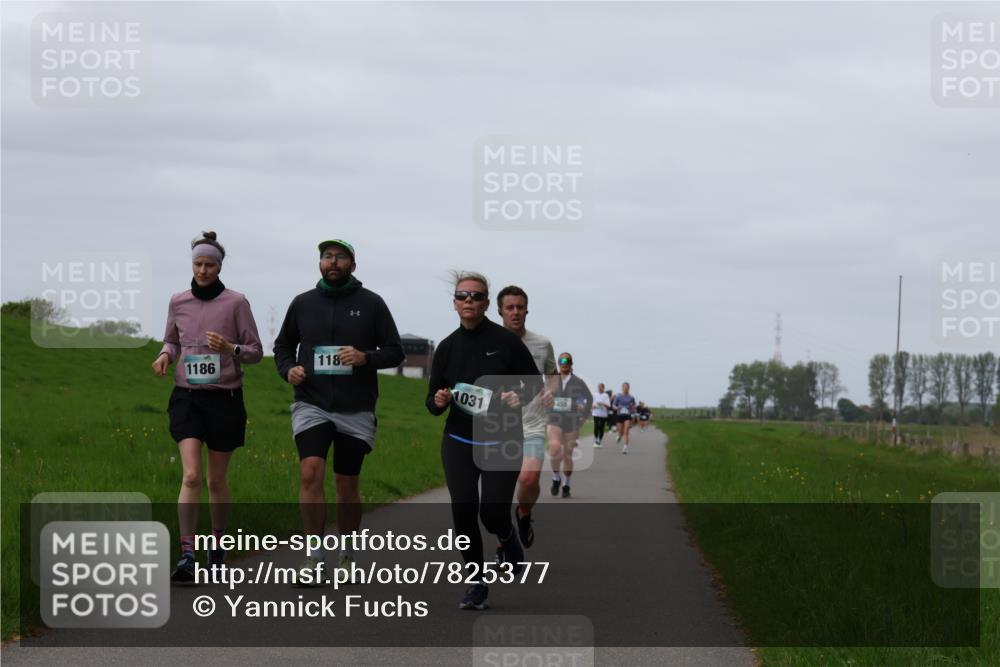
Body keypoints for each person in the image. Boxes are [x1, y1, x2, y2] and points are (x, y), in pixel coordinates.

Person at [273, 239, 404, 581]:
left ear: (352, 265)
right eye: (327, 256)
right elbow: (283, 345)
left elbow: (395, 351)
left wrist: (365, 358)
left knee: (347, 484)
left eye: (340, 257)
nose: (333, 262)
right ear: (319, 263)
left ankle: (347, 553)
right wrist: (288, 369)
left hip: (355, 406)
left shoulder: (372, 304)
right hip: (311, 402)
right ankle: (314, 556)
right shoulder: (302, 303)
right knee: (310, 471)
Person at [426, 271, 542, 610]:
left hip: (501, 440)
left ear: (486, 303)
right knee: (463, 511)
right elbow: (432, 400)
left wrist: (517, 396)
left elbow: (533, 384)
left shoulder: (506, 343)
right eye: (462, 296)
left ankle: (506, 536)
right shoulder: (447, 348)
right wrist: (438, 401)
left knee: (492, 513)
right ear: (454, 303)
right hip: (459, 439)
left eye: (475, 296)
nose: (468, 301)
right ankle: (476, 582)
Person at [153, 231, 263, 583]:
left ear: (219, 267)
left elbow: (256, 351)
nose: (202, 271)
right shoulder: (178, 301)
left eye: (209, 265)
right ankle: (187, 554)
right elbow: (172, 339)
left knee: (216, 480)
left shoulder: (236, 303)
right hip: (187, 397)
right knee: (191, 475)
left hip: (224, 398)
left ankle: (217, 549)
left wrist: (231, 348)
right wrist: (164, 355)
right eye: (197, 264)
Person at [497, 285, 556, 549]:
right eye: (510, 307)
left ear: (527, 310)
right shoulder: (489, 342)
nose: (515, 312)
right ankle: (505, 543)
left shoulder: (542, 344)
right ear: (499, 310)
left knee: (528, 479)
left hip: (532, 424)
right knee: (498, 491)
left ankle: (523, 513)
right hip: (496, 426)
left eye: (520, 307)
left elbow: (552, 374)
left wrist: (550, 392)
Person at [547, 353, 593, 498]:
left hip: (572, 420)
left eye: (567, 360)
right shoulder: (552, 379)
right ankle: (556, 478)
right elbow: (542, 394)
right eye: (561, 360)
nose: (564, 363)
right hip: (554, 418)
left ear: (571, 363)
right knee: (554, 449)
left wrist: (584, 416)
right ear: (558, 363)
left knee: (568, 455)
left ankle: (566, 484)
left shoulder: (578, 382)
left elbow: (589, 398)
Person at [612, 382, 638, 454]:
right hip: (620, 415)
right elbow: (613, 405)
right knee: (621, 432)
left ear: (628, 388)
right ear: (622, 388)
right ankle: (619, 436)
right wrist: (617, 408)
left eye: (626, 387)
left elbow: (634, 406)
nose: (625, 388)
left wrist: (633, 409)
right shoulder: (618, 396)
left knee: (626, 431)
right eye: (624, 387)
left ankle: (625, 448)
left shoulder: (631, 397)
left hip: (627, 415)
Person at [591, 383, 611, 447]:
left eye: (601, 387)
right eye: (598, 387)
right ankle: (596, 439)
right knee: (596, 426)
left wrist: (602, 403)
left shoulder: (606, 395)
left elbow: (608, 406)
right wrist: (593, 406)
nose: (599, 388)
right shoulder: (594, 394)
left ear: (603, 388)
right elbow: (591, 403)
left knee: (601, 427)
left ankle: (600, 440)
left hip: (603, 414)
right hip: (596, 413)